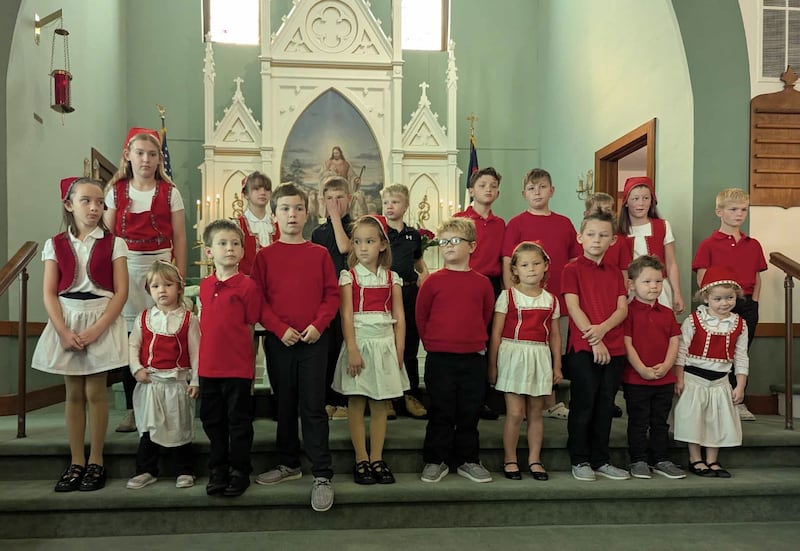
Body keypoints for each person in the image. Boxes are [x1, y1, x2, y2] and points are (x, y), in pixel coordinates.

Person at [32, 177, 129, 492]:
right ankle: (76, 461)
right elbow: (49, 292)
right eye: (86, 201)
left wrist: (98, 329)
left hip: (100, 317)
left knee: (96, 392)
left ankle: (96, 460)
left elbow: (121, 292)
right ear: (69, 204)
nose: (94, 207)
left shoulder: (114, 243)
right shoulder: (55, 243)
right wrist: (62, 330)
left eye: (100, 202)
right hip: (68, 318)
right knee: (73, 393)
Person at [252, 183, 340, 513]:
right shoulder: (264, 256)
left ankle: (322, 473)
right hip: (280, 341)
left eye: (298, 208)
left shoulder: (319, 254)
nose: (292, 214)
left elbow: (331, 295)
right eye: (285, 209)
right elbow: (258, 300)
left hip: (315, 340)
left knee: (313, 406)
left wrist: (318, 325)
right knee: (285, 404)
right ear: (274, 215)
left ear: (307, 213)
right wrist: (279, 328)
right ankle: (289, 463)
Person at [104, 127, 188, 434]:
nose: (146, 159)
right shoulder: (116, 192)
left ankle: (166, 403)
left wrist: (178, 276)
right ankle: (132, 408)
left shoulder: (170, 192)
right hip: (126, 267)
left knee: (161, 333)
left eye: (152, 154)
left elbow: (180, 236)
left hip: (160, 267)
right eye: (140, 153)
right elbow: (108, 237)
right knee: (133, 338)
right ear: (128, 155)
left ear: (158, 159)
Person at [417, 218, 495, 484]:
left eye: (454, 241)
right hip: (440, 357)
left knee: (469, 412)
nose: (447, 246)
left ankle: (468, 460)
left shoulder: (482, 283)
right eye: (443, 242)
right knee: (441, 411)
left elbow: (485, 315)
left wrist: (471, 341)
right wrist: (433, 344)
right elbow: (421, 316)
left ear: (472, 246)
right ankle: (435, 460)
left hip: (473, 358)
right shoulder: (432, 282)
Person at [332, 215, 409, 484]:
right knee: (356, 401)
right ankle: (361, 458)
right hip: (360, 344)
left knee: (380, 403)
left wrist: (399, 349)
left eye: (369, 241)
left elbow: (399, 316)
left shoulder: (392, 278)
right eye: (357, 242)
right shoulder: (349, 277)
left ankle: (377, 457)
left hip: (384, 345)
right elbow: (346, 316)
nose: (363, 247)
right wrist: (352, 349)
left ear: (383, 245)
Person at [502, 168, 581, 421]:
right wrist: (512, 296)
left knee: (552, 349)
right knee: (527, 348)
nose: (537, 192)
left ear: (552, 191)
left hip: (559, 300)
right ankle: (524, 403)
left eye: (542, 187)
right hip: (524, 302)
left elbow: (575, 261)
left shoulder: (564, 223)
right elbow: (508, 261)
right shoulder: (516, 223)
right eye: (532, 188)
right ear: (524, 194)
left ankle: (550, 402)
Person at [562, 211, 629, 481]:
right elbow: (573, 307)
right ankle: (579, 459)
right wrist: (596, 339)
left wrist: (603, 330)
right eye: (591, 234)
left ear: (613, 240)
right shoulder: (572, 269)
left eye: (603, 235)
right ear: (580, 237)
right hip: (584, 347)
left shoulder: (615, 273)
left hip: (614, 347)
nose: (596, 240)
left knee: (605, 405)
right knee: (584, 404)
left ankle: (601, 459)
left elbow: (622, 309)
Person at [198, 219, 263, 498]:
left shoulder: (248, 287)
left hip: (237, 369)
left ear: (243, 250)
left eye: (235, 243)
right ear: (209, 251)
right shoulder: (204, 286)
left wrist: (251, 371)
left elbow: (251, 329)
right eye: (222, 243)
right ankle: (218, 470)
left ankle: (239, 470)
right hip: (209, 369)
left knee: (239, 423)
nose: (229, 248)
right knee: (212, 422)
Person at [488, 241, 562, 481]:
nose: (531, 269)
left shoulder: (551, 300)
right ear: (515, 269)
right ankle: (510, 458)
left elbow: (555, 336)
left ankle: (534, 459)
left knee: (536, 412)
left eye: (536, 264)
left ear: (546, 266)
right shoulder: (507, 296)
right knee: (515, 412)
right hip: (513, 356)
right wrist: (492, 365)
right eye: (525, 265)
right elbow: (496, 333)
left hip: (539, 357)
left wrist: (557, 365)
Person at [692, 188, 766, 421]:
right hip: (718, 306)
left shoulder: (753, 244)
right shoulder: (708, 244)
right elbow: (702, 278)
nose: (739, 214)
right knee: (718, 352)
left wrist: (754, 303)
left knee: (740, 353)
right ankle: (715, 401)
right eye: (733, 209)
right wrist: (713, 305)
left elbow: (757, 277)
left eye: (743, 210)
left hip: (746, 304)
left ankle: (738, 401)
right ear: (719, 212)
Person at [126, 260, 200, 490]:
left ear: (179, 287)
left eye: (168, 285)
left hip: (177, 383)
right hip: (151, 383)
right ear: (149, 290)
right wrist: (136, 369)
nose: (162, 290)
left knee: (179, 425)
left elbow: (196, 352)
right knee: (150, 427)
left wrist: (196, 380)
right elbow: (133, 346)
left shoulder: (189, 320)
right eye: (156, 286)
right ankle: (146, 469)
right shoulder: (143, 318)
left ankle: (184, 469)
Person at [674, 266, 749, 479]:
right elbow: (681, 351)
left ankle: (712, 460)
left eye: (730, 297)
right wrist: (679, 378)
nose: (724, 303)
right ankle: (695, 459)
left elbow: (741, 356)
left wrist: (740, 385)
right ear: (706, 298)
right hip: (694, 379)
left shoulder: (740, 324)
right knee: (694, 420)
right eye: (718, 299)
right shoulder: (693, 321)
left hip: (720, 381)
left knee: (716, 421)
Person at [622, 255, 685, 480]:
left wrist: (667, 366)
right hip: (636, 378)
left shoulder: (667, 313)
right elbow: (627, 343)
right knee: (638, 422)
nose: (654, 286)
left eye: (658, 281)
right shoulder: (627, 312)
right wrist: (641, 369)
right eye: (647, 281)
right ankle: (638, 460)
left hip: (664, 378)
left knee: (660, 421)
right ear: (632, 284)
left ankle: (660, 459)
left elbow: (674, 342)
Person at [456, 167, 506, 421]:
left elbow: (505, 260)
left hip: (492, 285)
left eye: (493, 186)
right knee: (465, 338)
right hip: (465, 283)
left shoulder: (500, 224)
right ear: (471, 191)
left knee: (486, 341)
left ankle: (481, 398)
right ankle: (459, 397)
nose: (488, 189)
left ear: (498, 193)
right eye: (483, 185)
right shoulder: (460, 220)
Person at [381, 183, 429, 419]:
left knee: (409, 343)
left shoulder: (413, 235)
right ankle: (387, 398)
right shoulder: (379, 235)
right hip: (386, 294)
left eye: (395, 202)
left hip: (409, 293)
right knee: (387, 344)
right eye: (386, 203)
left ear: (406, 206)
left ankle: (410, 394)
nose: (390, 207)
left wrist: (424, 275)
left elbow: (418, 261)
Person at [312, 176, 353, 420]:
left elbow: (345, 248)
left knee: (344, 347)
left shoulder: (356, 227)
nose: (334, 203)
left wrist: (336, 218)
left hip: (348, 296)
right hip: (326, 298)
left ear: (350, 199)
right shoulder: (318, 233)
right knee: (327, 349)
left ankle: (343, 400)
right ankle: (328, 398)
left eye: (339, 198)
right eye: (329, 199)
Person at [618, 176, 684, 313]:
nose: (641, 203)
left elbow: (671, 263)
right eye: (635, 198)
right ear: (626, 202)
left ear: (652, 201)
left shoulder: (662, 226)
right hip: (630, 289)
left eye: (646, 198)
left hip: (658, 288)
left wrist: (677, 293)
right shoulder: (618, 231)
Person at [237, 171, 277, 276]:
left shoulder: (278, 225)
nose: (263, 192)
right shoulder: (238, 225)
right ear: (245, 194)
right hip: (246, 282)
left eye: (267, 189)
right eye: (257, 189)